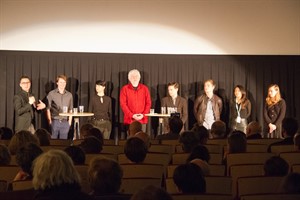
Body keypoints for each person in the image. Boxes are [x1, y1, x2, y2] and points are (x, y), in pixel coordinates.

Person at [120, 69, 151, 134]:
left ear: (139, 78)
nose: (134, 78)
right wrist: (132, 115)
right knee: (130, 140)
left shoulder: (145, 89)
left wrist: (143, 115)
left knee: (142, 139)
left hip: (142, 120)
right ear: (129, 78)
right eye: (132, 76)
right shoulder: (125, 89)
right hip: (129, 120)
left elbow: (148, 103)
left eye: (136, 76)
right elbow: (123, 104)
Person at [47, 75, 73, 139]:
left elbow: (71, 109)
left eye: (64, 82)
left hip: (65, 121)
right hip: (55, 121)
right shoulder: (51, 94)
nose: (62, 84)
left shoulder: (69, 95)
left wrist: (69, 122)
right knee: (53, 141)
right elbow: (48, 108)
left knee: (64, 143)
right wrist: (50, 121)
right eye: (61, 82)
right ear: (57, 83)